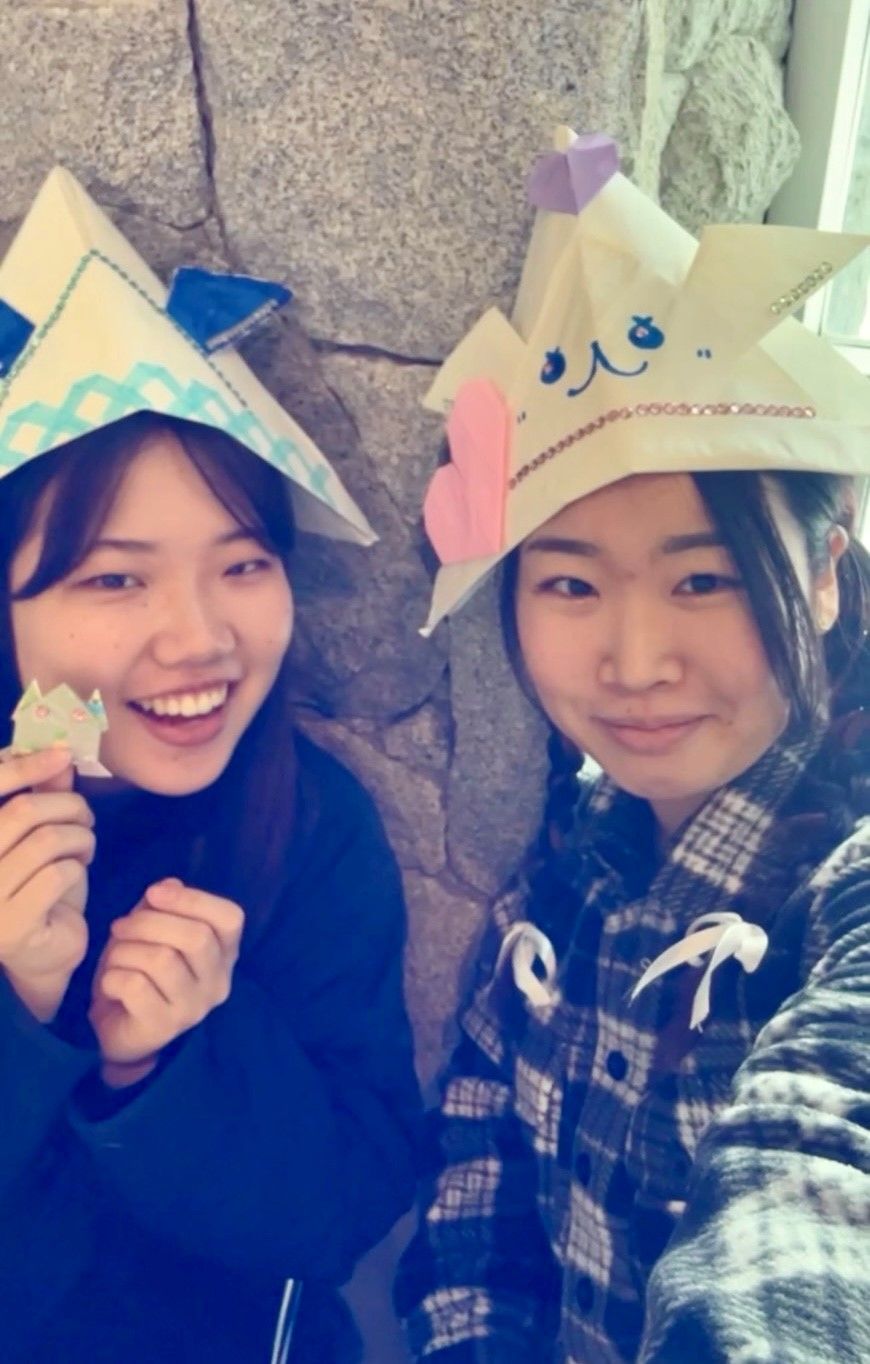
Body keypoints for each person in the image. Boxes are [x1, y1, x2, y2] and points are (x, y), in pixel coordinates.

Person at [395, 129, 870, 1363]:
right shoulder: (569, 866)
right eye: (567, 585)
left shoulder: (847, 879)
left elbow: (823, 1161)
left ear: (823, 575)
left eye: (705, 578)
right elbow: (477, 1213)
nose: (636, 660)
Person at [0, 169, 420, 1363]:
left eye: (242, 562)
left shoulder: (317, 826)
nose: (200, 637)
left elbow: (347, 1204)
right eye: (114, 577)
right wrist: (21, 1006)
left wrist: (166, 1065)